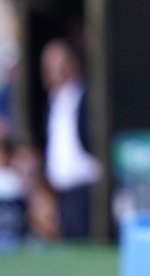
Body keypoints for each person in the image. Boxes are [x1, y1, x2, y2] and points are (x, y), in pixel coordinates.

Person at [40, 39, 101, 238]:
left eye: (61, 63)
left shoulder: (85, 94)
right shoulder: (53, 99)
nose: (57, 69)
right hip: (61, 187)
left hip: (85, 183)